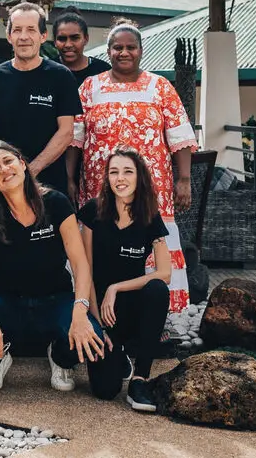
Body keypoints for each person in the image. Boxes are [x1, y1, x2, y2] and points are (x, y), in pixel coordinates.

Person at [0, 140, 108, 393]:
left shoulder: (56, 202)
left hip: (55, 302)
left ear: (22, 164)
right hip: (8, 305)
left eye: (8, 161)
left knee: (90, 332)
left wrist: (80, 310)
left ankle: (60, 357)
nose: (4, 169)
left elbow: (80, 264)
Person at [76, 19, 198, 313]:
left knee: (149, 246)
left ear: (141, 50)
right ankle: (98, 311)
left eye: (131, 47)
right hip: (100, 188)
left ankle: (154, 315)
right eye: (117, 47)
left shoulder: (161, 87)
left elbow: (180, 137)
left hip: (151, 189)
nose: (124, 52)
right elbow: (75, 139)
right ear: (108, 51)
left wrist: (184, 179)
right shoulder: (89, 88)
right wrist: (70, 180)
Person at [78, 146, 172, 411]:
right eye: (114, 172)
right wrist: (98, 325)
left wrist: (115, 288)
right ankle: (117, 353)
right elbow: (85, 270)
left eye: (127, 172)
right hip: (101, 312)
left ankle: (140, 379)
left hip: (132, 308)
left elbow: (164, 273)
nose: (120, 178)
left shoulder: (149, 216)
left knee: (156, 290)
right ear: (107, 178)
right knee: (105, 391)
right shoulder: (93, 212)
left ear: (139, 177)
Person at [0, 2, 81, 197]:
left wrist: (29, 171)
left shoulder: (61, 76)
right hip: (5, 185)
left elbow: (66, 133)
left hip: (50, 186)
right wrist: (9, 171)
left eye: (31, 30)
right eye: (17, 30)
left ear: (43, 36)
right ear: (9, 36)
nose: (23, 37)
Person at [54, 11, 111, 203]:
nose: (68, 44)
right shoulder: (48, 72)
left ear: (86, 39)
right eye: (62, 38)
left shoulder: (103, 72)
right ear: (54, 41)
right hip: (55, 160)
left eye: (75, 38)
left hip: (96, 161)